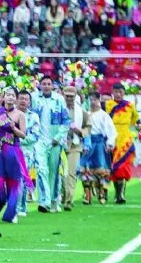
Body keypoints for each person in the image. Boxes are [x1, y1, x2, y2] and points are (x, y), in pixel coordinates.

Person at [0, 88, 27, 224]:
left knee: (13, 181)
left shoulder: (20, 115)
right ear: (3, 97)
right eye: (7, 95)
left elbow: (23, 135)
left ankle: (12, 212)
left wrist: (13, 128)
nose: (10, 97)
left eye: (13, 95)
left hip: (13, 149)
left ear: (16, 98)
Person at [32, 76, 70, 213]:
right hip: (39, 141)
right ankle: (44, 201)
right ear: (40, 85)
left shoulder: (59, 100)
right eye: (44, 84)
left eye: (49, 84)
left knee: (53, 172)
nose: (46, 86)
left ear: (53, 86)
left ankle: (54, 199)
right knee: (42, 170)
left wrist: (58, 137)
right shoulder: (34, 99)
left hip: (55, 141)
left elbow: (66, 120)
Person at [106, 82, 140, 204]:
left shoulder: (130, 105)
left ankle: (121, 195)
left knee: (123, 167)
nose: (118, 94)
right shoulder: (108, 105)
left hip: (125, 140)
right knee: (113, 167)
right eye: (116, 92)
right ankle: (116, 193)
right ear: (112, 92)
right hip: (111, 138)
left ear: (124, 93)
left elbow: (136, 121)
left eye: (120, 92)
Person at [79, 94, 116, 205]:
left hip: (99, 144)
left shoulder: (104, 115)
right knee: (84, 169)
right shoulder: (85, 114)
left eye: (95, 99)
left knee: (101, 170)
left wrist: (109, 143)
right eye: (90, 99)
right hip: (87, 143)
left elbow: (112, 131)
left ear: (99, 100)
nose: (92, 102)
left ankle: (102, 193)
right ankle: (87, 195)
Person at [60, 86, 90, 211]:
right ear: (63, 95)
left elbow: (88, 127)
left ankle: (69, 200)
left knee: (71, 173)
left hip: (75, 145)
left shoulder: (81, 112)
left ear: (75, 96)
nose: (69, 98)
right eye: (67, 96)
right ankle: (63, 195)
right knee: (61, 173)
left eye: (71, 96)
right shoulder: (58, 109)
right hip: (60, 144)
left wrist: (80, 131)